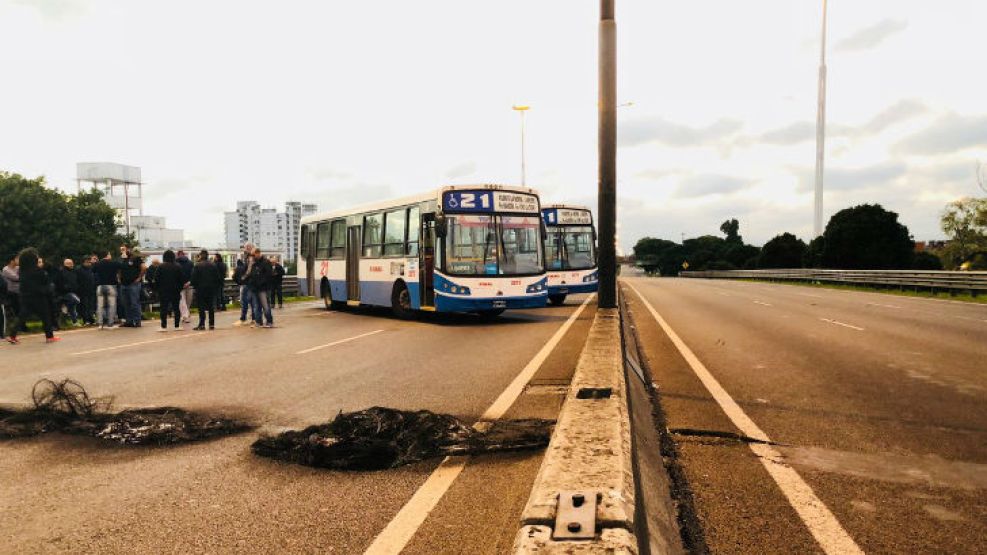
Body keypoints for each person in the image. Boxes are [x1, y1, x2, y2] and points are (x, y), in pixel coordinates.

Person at [5, 248, 60, 344]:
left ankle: (12, 335)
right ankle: (49, 337)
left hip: (25, 296)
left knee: (22, 316)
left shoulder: (22, 271)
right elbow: (46, 283)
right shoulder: (38, 271)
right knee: (46, 316)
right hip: (38, 297)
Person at [155, 250, 185, 332]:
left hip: (163, 291)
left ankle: (163, 326)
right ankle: (177, 326)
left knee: (163, 308)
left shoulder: (160, 267)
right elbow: (182, 280)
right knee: (176, 308)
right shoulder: (178, 266)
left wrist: (158, 289)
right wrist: (179, 288)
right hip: (175, 291)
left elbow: (156, 279)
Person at [190, 250, 220, 330]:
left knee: (201, 307)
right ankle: (211, 324)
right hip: (211, 289)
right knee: (210, 306)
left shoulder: (197, 265)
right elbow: (217, 278)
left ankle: (202, 324)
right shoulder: (213, 265)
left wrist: (194, 285)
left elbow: (193, 279)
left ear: (200, 256)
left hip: (200, 289)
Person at [93, 250, 121, 330]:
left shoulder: (97, 264)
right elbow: (122, 266)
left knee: (100, 305)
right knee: (111, 305)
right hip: (111, 286)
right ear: (107, 255)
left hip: (100, 286)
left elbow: (93, 270)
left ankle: (100, 324)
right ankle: (110, 323)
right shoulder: (113, 263)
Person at [247, 247, 274, 328]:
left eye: (253, 254)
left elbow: (268, 275)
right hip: (255, 288)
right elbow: (250, 274)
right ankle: (258, 322)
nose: (252, 256)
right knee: (256, 306)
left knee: (265, 306)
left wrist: (260, 283)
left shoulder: (266, 262)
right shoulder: (253, 263)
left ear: (258, 253)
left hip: (263, 288)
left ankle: (269, 322)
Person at [119, 245, 145, 327]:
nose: (122, 250)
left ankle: (137, 321)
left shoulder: (135, 258)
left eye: (124, 249)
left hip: (133, 284)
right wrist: (119, 278)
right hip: (124, 284)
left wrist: (139, 277)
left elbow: (144, 268)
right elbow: (119, 269)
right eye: (121, 249)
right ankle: (129, 321)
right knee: (126, 304)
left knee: (134, 303)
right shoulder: (122, 259)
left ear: (128, 249)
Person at [233, 242, 256, 327]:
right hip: (251, 282)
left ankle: (243, 318)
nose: (244, 249)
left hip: (247, 282)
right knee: (252, 301)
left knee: (244, 301)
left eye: (245, 247)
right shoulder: (252, 256)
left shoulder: (250, 257)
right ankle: (254, 318)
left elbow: (249, 269)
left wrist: (243, 277)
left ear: (249, 248)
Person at [56, 258, 81, 325]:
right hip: (64, 293)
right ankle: (66, 309)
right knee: (76, 300)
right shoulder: (61, 272)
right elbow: (59, 283)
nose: (72, 264)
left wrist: (76, 287)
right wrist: (66, 288)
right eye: (70, 263)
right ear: (65, 264)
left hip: (73, 291)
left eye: (72, 263)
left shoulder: (73, 271)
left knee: (72, 307)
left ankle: (74, 321)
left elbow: (76, 281)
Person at [77, 255, 97, 326]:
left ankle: (91, 319)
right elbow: (78, 281)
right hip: (83, 291)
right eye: (87, 261)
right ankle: (86, 320)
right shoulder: (79, 270)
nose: (88, 263)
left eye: (89, 261)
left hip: (91, 290)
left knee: (91, 306)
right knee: (85, 306)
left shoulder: (91, 269)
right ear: (83, 262)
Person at [175, 250, 194, 323]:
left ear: (178, 255)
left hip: (180, 285)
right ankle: (185, 315)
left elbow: (176, 275)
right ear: (184, 254)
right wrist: (189, 282)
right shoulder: (191, 263)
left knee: (182, 301)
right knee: (188, 302)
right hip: (190, 284)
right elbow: (193, 274)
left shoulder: (175, 263)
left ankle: (185, 316)